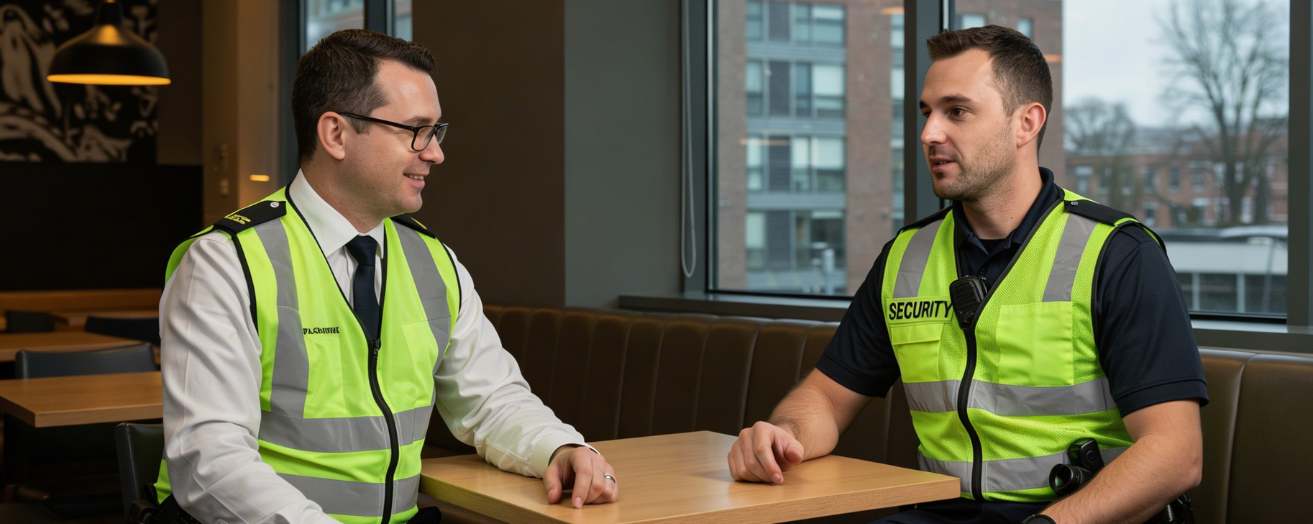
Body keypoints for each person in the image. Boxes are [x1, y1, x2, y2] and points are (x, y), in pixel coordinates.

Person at [728, 25, 1206, 524]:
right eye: (926, 113)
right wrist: (784, 435)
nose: (930, 133)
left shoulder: (1118, 253)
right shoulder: (905, 258)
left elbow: (1175, 453)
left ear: (1026, 123)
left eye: (956, 111)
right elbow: (824, 398)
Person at [154, 29, 617, 524]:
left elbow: (491, 401)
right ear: (335, 134)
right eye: (416, 130)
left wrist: (559, 445)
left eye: (437, 132)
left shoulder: (435, 262)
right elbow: (210, 460)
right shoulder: (224, 262)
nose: (435, 153)